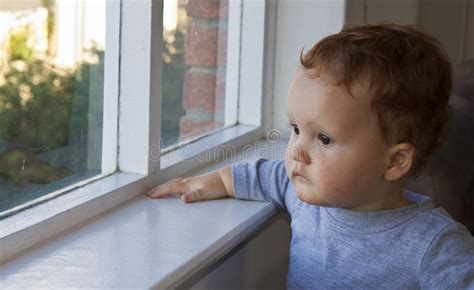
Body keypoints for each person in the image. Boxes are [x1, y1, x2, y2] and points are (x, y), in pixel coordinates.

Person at [148, 23, 474, 288]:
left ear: (394, 161)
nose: (298, 152)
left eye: (324, 138)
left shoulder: (434, 245)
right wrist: (215, 180)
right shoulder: (303, 194)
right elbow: (265, 175)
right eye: (294, 128)